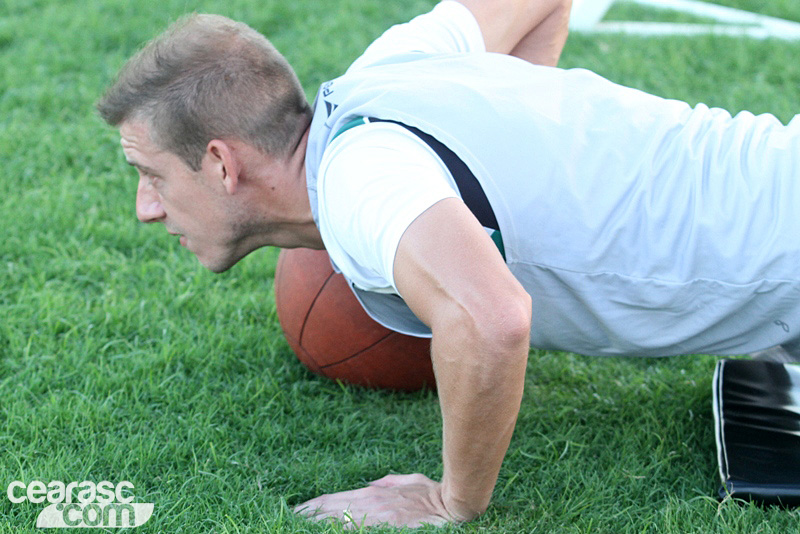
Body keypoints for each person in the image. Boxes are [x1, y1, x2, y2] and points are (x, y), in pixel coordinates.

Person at [96, 0, 800, 527]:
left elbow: (491, 320)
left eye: (150, 174)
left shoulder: (358, 182)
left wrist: (449, 499)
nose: (145, 207)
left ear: (220, 163)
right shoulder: (383, 68)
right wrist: (525, 144)